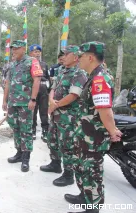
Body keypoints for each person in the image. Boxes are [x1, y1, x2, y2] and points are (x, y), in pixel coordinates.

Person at [65, 42, 122, 213]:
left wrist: (113, 132)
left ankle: (93, 207)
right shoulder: (92, 76)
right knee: (81, 167)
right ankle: (85, 196)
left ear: (90, 57)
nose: (77, 59)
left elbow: (105, 111)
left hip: (93, 137)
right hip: (84, 134)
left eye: (80, 56)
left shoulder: (99, 79)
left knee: (92, 171)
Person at [40, 45, 88, 187]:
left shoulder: (80, 73)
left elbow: (74, 95)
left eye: (66, 54)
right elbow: (53, 88)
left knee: (67, 145)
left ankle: (68, 175)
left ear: (75, 57)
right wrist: (51, 101)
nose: (63, 57)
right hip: (56, 115)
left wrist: (56, 104)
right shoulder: (62, 70)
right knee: (52, 140)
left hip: (69, 117)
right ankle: (55, 164)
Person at [3, 40, 42, 172]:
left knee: (26, 130)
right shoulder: (12, 65)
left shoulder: (32, 61)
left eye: (16, 48)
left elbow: (37, 80)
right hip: (13, 102)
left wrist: (33, 99)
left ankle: (26, 158)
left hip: (25, 103)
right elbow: (8, 83)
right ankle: (19, 152)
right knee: (15, 128)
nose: (14, 51)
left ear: (23, 49)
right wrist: (4, 101)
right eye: (12, 49)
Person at [29, 44, 50, 142]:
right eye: (35, 52)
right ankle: (32, 130)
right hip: (33, 90)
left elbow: (48, 79)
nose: (37, 54)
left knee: (44, 112)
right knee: (32, 112)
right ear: (30, 53)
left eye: (38, 52)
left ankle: (45, 131)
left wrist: (49, 92)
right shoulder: (28, 64)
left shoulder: (44, 64)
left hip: (43, 91)